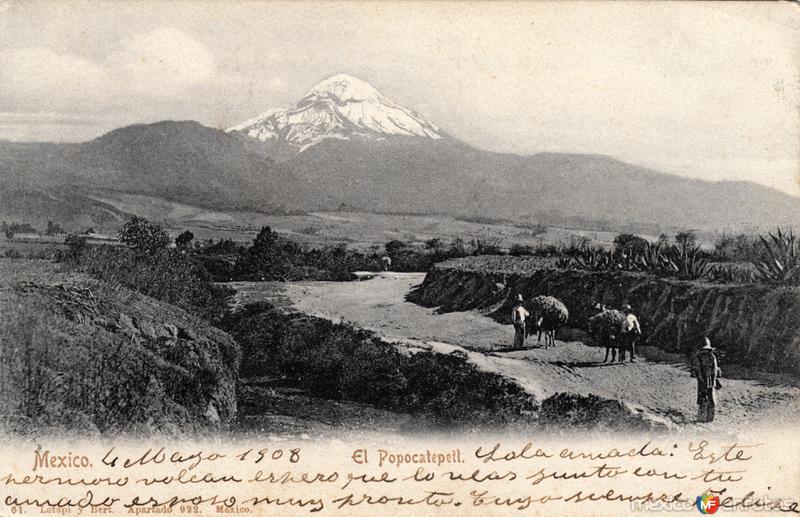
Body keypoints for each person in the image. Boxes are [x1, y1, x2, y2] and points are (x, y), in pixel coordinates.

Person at [692, 337, 722, 422]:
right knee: (702, 398)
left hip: (710, 380)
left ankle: (709, 418)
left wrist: (714, 379)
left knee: (711, 398)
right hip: (703, 380)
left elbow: (715, 369)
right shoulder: (699, 358)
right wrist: (701, 378)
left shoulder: (712, 357)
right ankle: (702, 418)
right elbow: (697, 370)